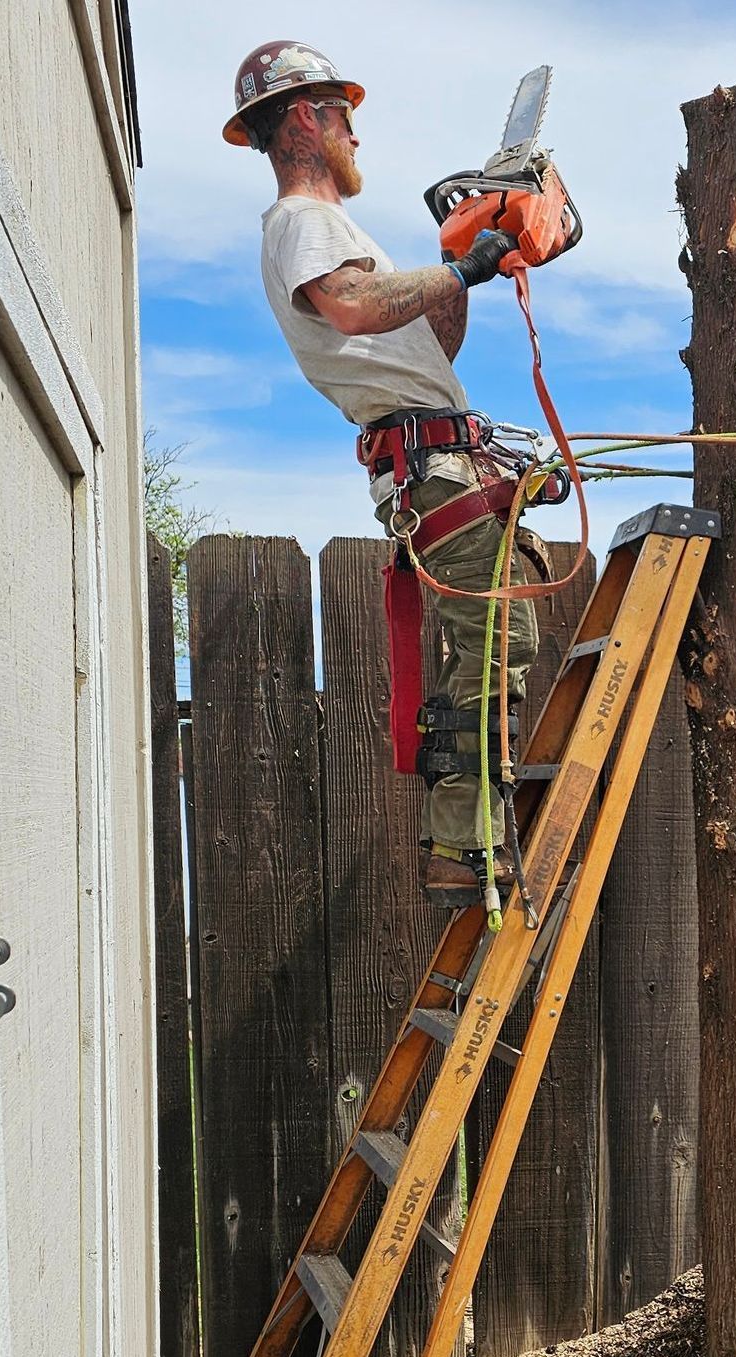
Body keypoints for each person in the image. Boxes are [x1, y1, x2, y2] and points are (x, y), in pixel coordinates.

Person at [225, 42, 539, 901]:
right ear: (304, 117)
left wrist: (461, 267)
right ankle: (463, 846)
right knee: (495, 640)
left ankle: (468, 835)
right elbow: (355, 307)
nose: (355, 133)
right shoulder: (302, 221)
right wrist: (462, 263)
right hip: (428, 461)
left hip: (439, 451)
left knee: (500, 637)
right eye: (343, 115)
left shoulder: (336, 232)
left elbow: (431, 345)